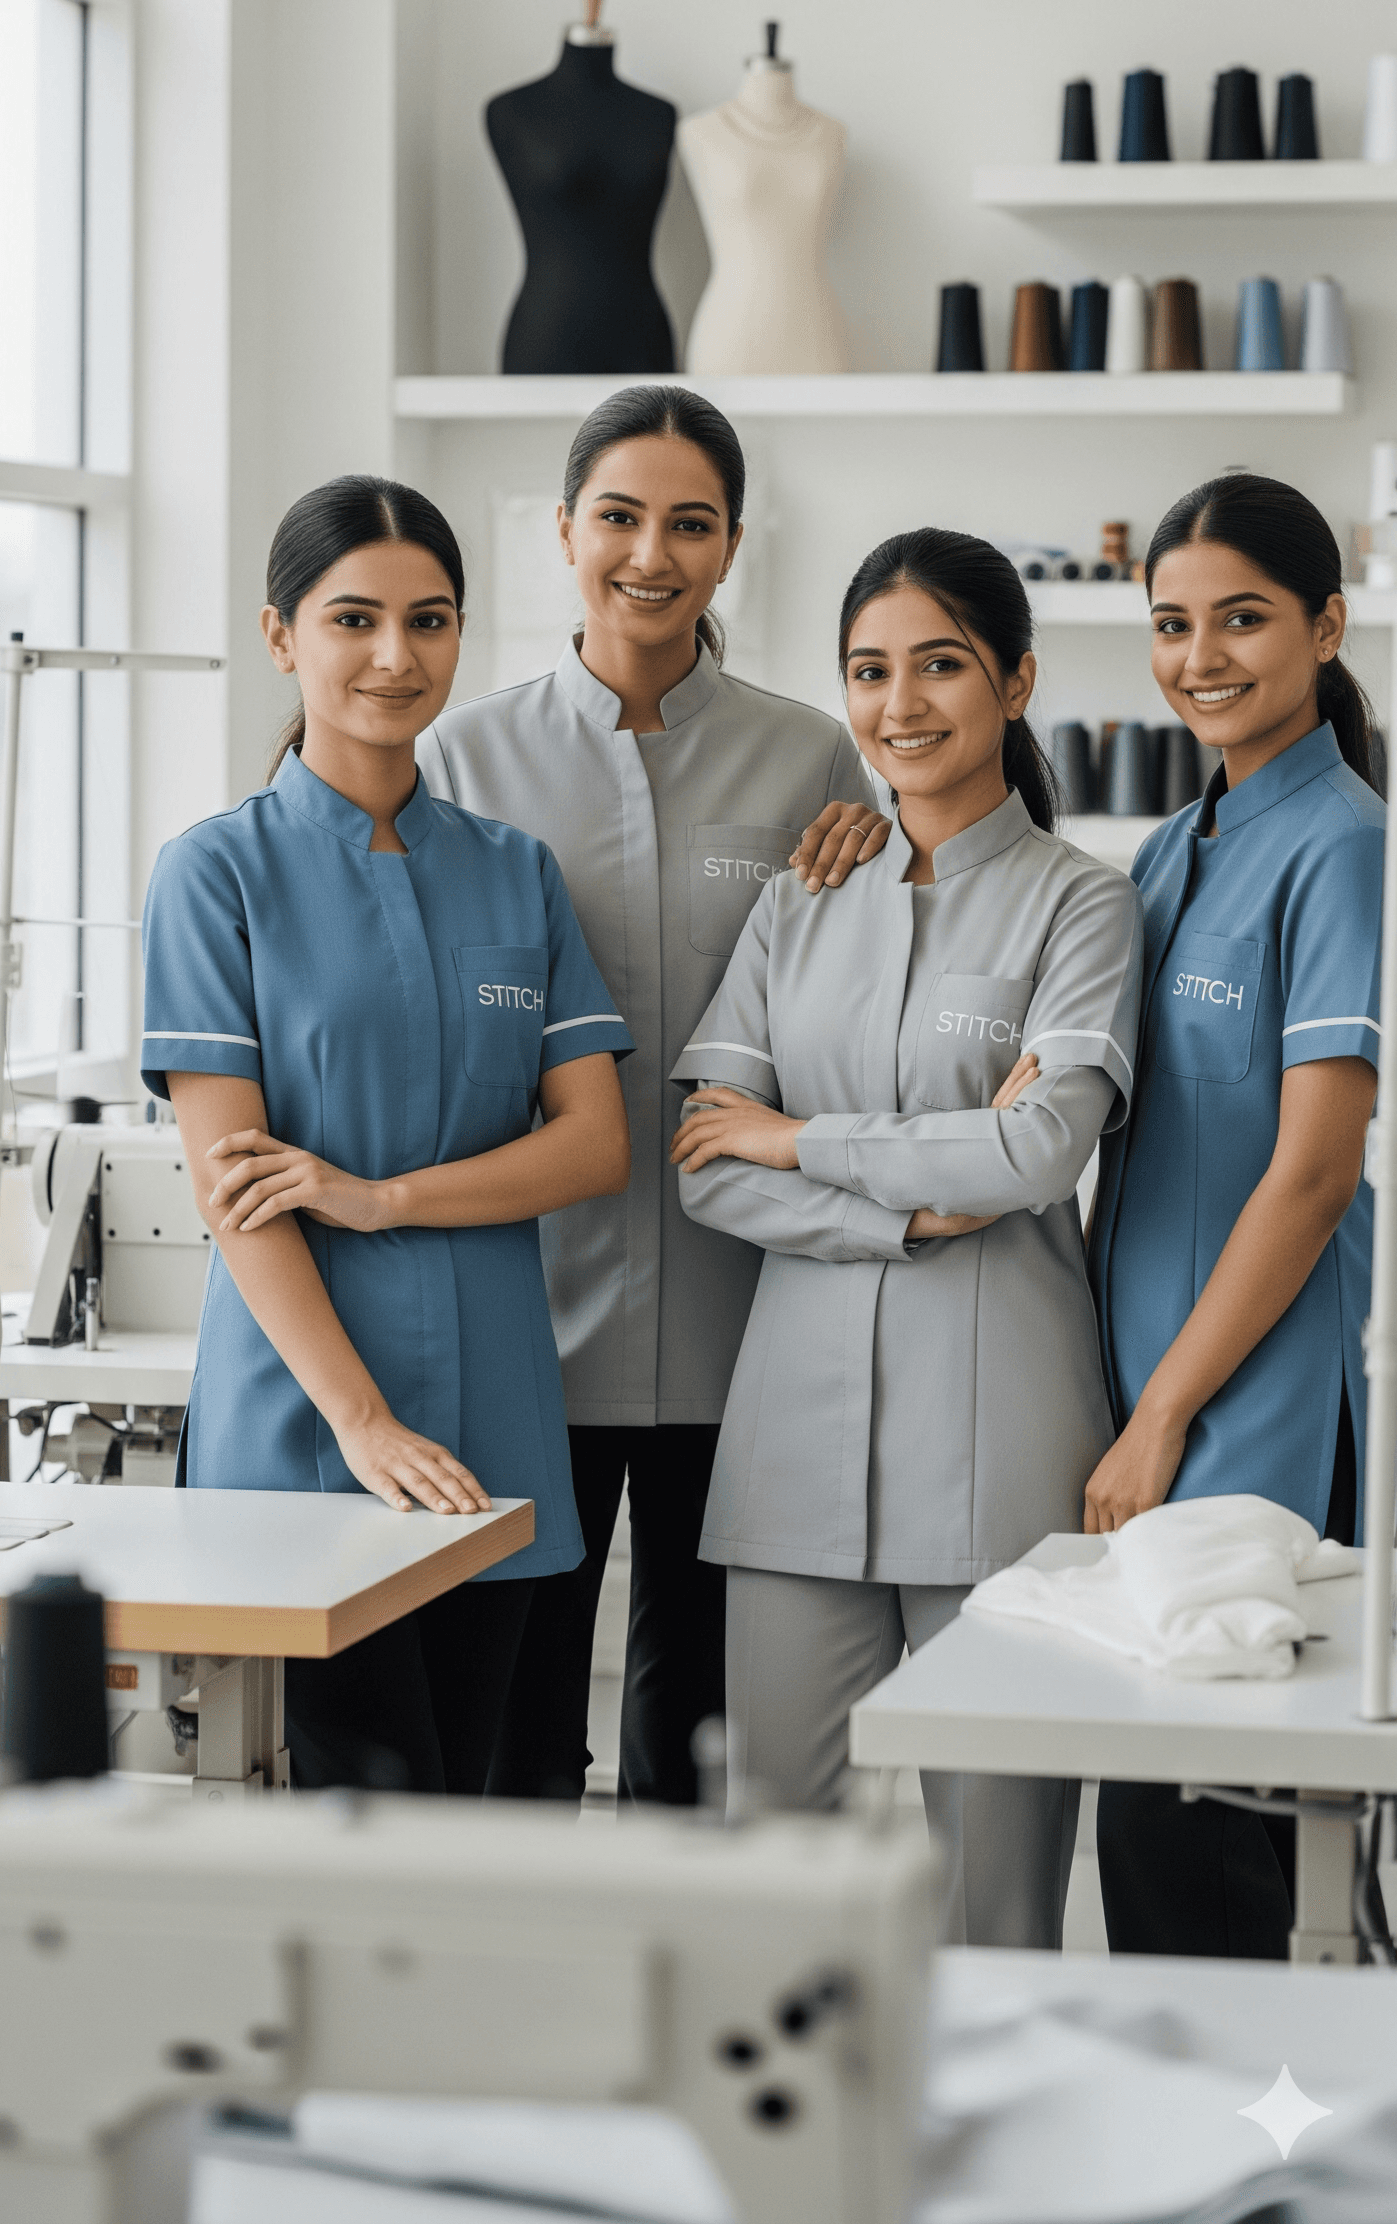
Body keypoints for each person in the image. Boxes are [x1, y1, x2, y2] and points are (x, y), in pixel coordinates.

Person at [415, 381, 887, 1807]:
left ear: (732, 544)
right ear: (562, 531)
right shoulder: (460, 760)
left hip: (741, 1321)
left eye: (691, 523)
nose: (651, 554)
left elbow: (860, 994)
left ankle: (673, 2002)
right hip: (522, 1325)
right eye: (619, 517)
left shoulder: (807, 754)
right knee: (518, 1711)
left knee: (699, 1721)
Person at [669, 529, 1142, 1948]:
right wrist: (920, 1204)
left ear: (1016, 680)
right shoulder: (795, 902)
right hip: (791, 1451)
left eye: (941, 664)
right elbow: (704, 1166)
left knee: (995, 1901)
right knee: (774, 1889)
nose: (901, 703)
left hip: (1002, 1447)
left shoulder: (1083, 902)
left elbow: (1042, 1146)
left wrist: (801, 1140)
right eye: (868, 671)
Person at [140, 475, 633, 1796]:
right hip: (311, 1431)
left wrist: (376, 1198)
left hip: (498, 1421)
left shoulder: (513, 870)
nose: (396, 656)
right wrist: (358, 1423)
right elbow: (236, 1189)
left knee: (481, 1806)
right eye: (353, 619)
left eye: (430, 620)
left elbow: (594, 1148)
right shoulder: (214, 876)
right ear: (280, 635)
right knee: (377, 1812)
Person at [1086, 473, 1384, 1961]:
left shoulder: (1344, 843)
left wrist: (1163, 1419)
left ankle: (1268, 2177)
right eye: (1171, 624)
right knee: (1150, 1843)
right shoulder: (1169, 849)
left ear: (1328, 627)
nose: (1200, 655)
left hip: (1245, 1417)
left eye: (1243, 620)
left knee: (1205, 1847)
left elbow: (1315, 1171)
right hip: (1147, 1400)